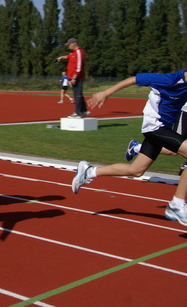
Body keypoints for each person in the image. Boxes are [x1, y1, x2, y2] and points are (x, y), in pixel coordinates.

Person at [71, 70, 187, 226]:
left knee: (136, 170)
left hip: (162, 129)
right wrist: (106, 92)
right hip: (154, 127)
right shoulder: (168, 80)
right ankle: (176, 204)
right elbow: (134, 79)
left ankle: (89, 171)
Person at [56, 38, 88, 118]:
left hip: (77, 77)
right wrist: (61, 57)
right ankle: (84, 110)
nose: (68, 46)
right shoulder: (73, 53)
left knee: (77, 95)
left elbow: (79, 66)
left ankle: (78, 113)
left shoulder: (79, 52)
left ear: (73, 44)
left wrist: (74, 77)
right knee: (78, 94)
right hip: (72, 77)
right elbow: (68, 56)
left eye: (69, 45)